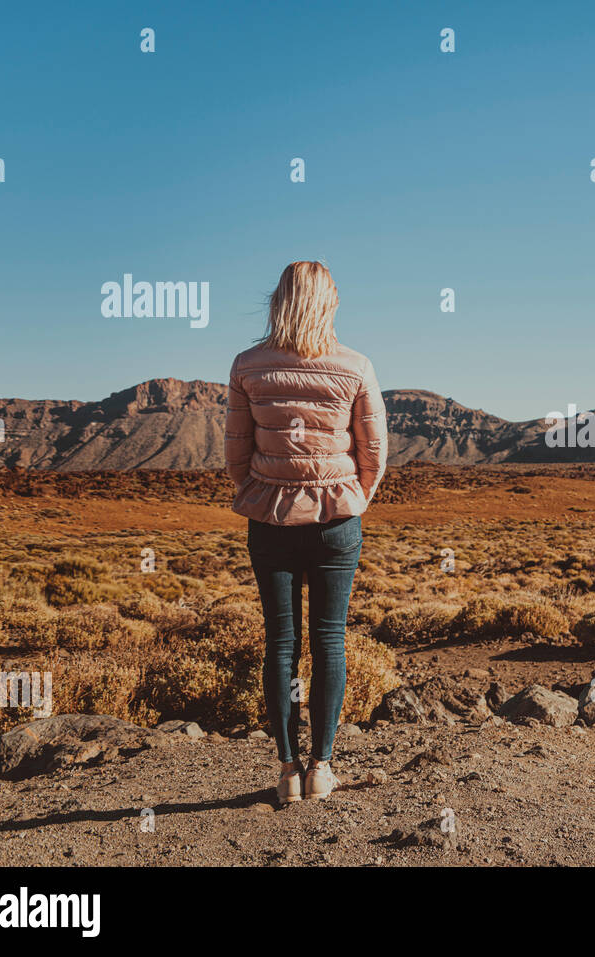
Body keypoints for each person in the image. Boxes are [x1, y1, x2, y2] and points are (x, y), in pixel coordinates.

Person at [224, 261, 386, 803]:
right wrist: (354, 495)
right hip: (337, 519)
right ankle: (322, 766)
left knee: (281, 643)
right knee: (329, 640)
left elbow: (235, 452)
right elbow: (375, 451)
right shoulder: (355, 366)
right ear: (329, 303)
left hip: (269, 518)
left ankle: (288, 770)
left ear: (280, 300)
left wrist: (262, 489)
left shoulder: (248, 366)